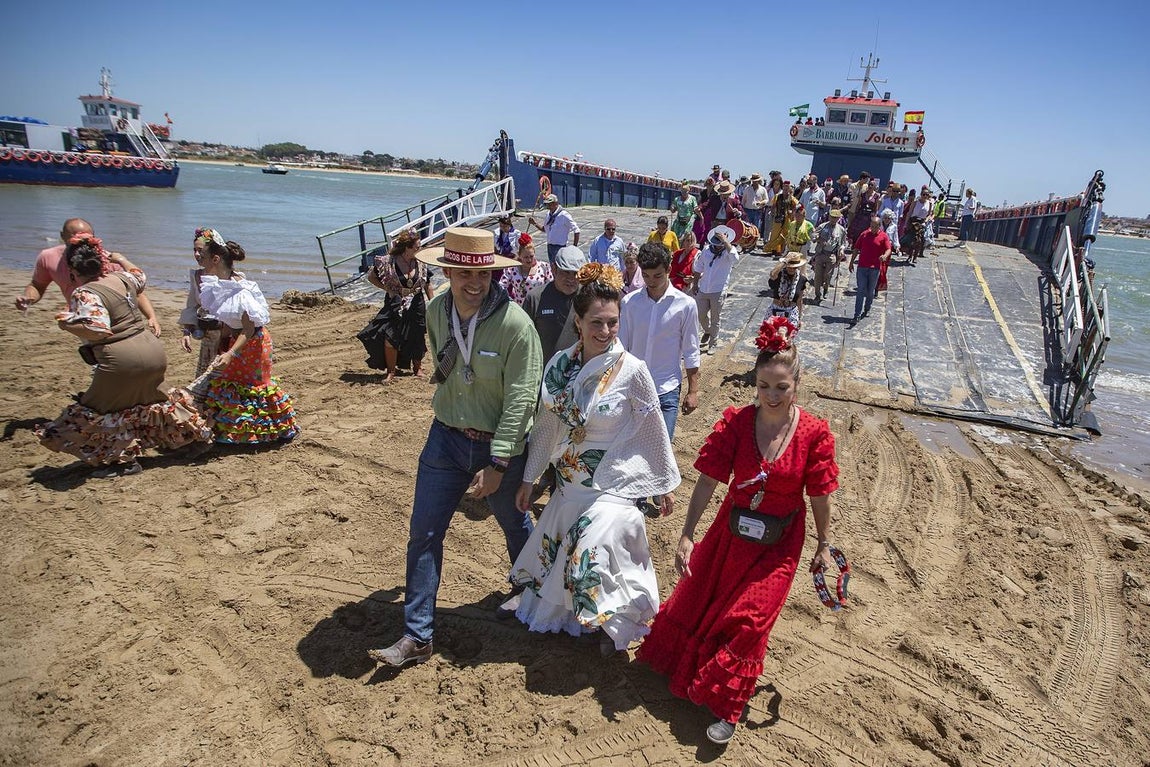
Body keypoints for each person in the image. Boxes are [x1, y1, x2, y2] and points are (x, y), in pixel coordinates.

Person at [637, 316, 840, 746]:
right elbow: (709, 480)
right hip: (731, 533)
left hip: (780, 544)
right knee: (703, 600)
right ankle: (689, 672)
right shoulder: (736, 422)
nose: (771, 396)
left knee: (750, 621)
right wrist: (688, 533)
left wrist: (824, 544)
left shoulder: (814, 434)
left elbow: (820, 495)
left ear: (797, 384)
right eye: (764, 386)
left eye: (781, 387)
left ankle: (727, 709)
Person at [369, 228, 542, 668]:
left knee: (515, 525)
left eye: (482, 273)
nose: (474, 282)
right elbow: (444, 361)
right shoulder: (436, 311)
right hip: (445, 437)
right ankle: (418, 635)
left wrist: (500, 463)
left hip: (497, 444)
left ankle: (532, 596)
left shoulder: (517, 326)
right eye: (463, 272)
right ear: (446, 269)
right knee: (424, 533)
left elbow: (522, 399)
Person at [503, 262, 680, 656]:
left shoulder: (634, 371)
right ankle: (580, 618)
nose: (605, 332)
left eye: (613, 323)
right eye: (596, 323)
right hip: (569, 481)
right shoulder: (559, 368)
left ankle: (611, 622)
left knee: (591, 544)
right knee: (574, 546)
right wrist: (530, 479)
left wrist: (663, 484)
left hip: (612, 482)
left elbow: (653, 428)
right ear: (578, 322)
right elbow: (547, 428)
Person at [35, 234, 211, 476]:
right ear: (103, 264)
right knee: (154, 399)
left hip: (121, 358)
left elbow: (98, 329)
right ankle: (195, 439)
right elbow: (140, 275)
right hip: (152, 351)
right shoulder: (122, 277)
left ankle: (123, 461)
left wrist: (66, 323)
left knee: (99, 409)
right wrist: (122, 259)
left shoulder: (84, 293)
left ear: (73, 270)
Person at [18, 217, 161, 336]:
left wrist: (151, 316)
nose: (82, 242)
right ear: (63, 236)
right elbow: (37, 285)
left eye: (87, 238)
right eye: (76, 238)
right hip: (84, 317)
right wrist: (28, 298)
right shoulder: (48, 257)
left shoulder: (104, 259)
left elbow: (136, 291)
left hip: (116, 317)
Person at [621, 242, 701, 441]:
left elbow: (691, 351)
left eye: (657, 275)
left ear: (668, 269)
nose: (651, 281)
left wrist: (693, 391)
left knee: (662, 449)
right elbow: (621, 348)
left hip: (667, 389)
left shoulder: (686, 305)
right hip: (633, 389)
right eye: (646, 276)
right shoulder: (629, 303)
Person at [357, 229, 434, 382]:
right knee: (390, 336)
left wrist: (432, 303)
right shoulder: (389, 261)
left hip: (417, 302)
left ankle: (418, 368)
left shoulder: (421, 261)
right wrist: (387, 288)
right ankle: (391, 371)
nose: (419, 249)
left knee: (417, 335)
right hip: (395, 302)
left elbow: (428, 283)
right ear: (407, 247)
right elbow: (371, 276)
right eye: (416, 247)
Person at [523, 245, 586, 363]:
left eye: (575, 273)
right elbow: (523, 339)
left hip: (578, 374)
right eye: (566, 272)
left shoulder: (588, 297)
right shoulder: (535, 298)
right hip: (544, 373)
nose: (571, 279)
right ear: (554, 269)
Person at [691, 226, 740, 354]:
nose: (717, 246)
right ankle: (708, 331)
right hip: (704, 288)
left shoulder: (728, 252)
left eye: (720, 244)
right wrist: (695, 284)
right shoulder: (706, 250)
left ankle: (713, 342)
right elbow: (698, 268)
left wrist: (725, 242)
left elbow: (735, 259)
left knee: (715, 318)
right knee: (700, 315)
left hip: (718, 290)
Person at [848, 216, 892, 326]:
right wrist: (851, 262)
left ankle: (867, 308)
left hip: (874, 268)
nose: (872, 228)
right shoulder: (864, 234)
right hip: (862, 267)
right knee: (860, 290)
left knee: (870, 291)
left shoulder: (883, 236)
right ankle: (856, 314)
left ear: (879, 226)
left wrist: (885, 256)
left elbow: (888, 249)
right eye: (871, 226)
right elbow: (856, 248)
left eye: (875, 226)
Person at [499, 232, 553, 306]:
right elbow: (501, 286)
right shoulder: (512, 269)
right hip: (521, 310)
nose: (529, 260)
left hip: (540, 308)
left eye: (531, 256)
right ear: (519, 256)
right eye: (526, 257)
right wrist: (509, 302)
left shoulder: (544, 267)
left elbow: (552, 286)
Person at [529, 194, 580, 263]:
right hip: (550, 246)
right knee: (552, 267)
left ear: (556, 203)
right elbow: (545, 229)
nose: (548, 207)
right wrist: (534, 223)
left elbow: (576, 230)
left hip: (559, 247)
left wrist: (574, 247)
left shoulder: (564, 215)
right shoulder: (548, 214)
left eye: (550, 204)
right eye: (547, 205)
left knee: (559, 268)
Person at [809, 209, 847, 302]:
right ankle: (817, 294)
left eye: (835, 218)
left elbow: (843, 243)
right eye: (832, 217)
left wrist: (842, 249)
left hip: (832, 255)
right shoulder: (823, 226)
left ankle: (826, 288)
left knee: (828, 275)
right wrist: (817, 238)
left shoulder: (841, 230)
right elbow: (813, 236)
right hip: (821, 253)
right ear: (829, 217)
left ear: (838, 218)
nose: (833, 219)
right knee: (818, 275)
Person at [766, 252, 809, 328]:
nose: (792, 269)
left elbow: (799, 300)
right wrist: (785, 261)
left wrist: (799, 318)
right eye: (789, 266)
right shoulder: (779, 275)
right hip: (776, 309)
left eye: (794, 267)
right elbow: (772, 275)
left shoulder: (802, 279)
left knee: (787, 337)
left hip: (791, 311)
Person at [764, 181, 797, 256]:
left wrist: (792, 212)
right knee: (775, 234)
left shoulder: (792, 198)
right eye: (784, 187)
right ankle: (773, 249)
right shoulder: (777, 196)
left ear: (789, 189)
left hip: (787, 219)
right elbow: (773, 206)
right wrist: (772, 212)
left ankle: (781, 250)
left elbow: (797, 206)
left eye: (787, 187)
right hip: (778, 218)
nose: (786, 188)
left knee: (785, 235)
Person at [847, 177, 880, 246]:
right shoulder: (863, 194)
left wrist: (874, 216)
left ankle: (863, 245)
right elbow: (859, 205)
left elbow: (876, 208)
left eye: (872, 185)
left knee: (866, 231)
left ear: (874, 186)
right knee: (856, 230)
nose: (870, 186)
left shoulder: (876, 196)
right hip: (861, 214)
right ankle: (854, 244)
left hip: (869, 216)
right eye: (869, 184)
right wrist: (856, 213)